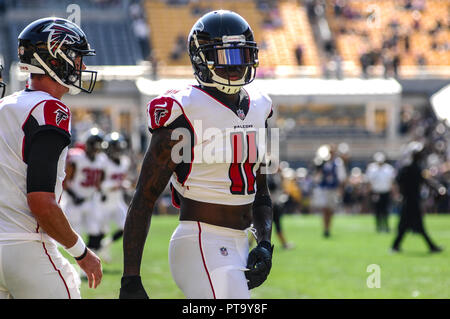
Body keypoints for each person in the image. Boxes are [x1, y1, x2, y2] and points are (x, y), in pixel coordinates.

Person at [120, 10, 274, 299]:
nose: (235, 65)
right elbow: (144, 197)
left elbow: (261, 193)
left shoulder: (261, 107)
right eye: (225, 57)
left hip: (240, 243)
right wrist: (130, 278)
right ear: (202, 59)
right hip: (202, 239)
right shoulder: (183, 109)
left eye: (241, 55)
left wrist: (264, 244)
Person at [0, 17, 102, 299]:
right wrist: (81, 252)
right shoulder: (49, 109)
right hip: (26, 246)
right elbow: (41, 201)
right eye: (75, 57)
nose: (80, 66)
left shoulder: (6, 105)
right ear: (54, 58)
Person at [391, 143, 443, 253]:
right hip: (411, 200)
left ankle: (396, 246)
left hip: (410, 200)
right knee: (413, 225)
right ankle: (431, 247)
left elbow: (424, 180)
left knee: (405, 225)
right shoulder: (412, 168)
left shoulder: (410, 168)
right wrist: (438, 188)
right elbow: (426, 181)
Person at [63, 128, 107, 254]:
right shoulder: (77, 158)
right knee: (75, 234)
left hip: (90, 200)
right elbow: (65, 181)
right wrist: (73, 195)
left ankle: (88, 261)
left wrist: (100, 191)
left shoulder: (101, 160)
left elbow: (100, 178)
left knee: (95, 231)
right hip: (74, 202)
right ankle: (78, 263)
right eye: (94, 145)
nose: (96, 149)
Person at [97, 132, 131, 261]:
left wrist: (124, 184)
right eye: (115, 148)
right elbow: (98, 184)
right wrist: (114, 186)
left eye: (119, 148)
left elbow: (123, 178)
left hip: (117, 200)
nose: (117, 151)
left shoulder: (124, 162)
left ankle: (106, 245)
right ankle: (97, 253)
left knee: (126, 227)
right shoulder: (103, 161)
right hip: (103, 201)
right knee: (100, 233)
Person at [312, 144, 347, 238]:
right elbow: (317, 177)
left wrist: (340, 190)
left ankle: (328, 227)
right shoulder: (322, 162)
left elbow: (341, 177)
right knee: (324, 209)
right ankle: (325, 228)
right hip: (324, 189)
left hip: (333, 189)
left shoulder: (338, 163)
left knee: (330, 210)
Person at [366, 152, 396, 232]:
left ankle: (386, 225)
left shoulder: (388, 169)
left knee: (385, 210)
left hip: (386, 192)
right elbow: (369, 181)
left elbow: (391, 182)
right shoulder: (372, 168)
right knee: (377, 210)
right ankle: (378, 226)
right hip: (376, 192)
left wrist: (394, 192)